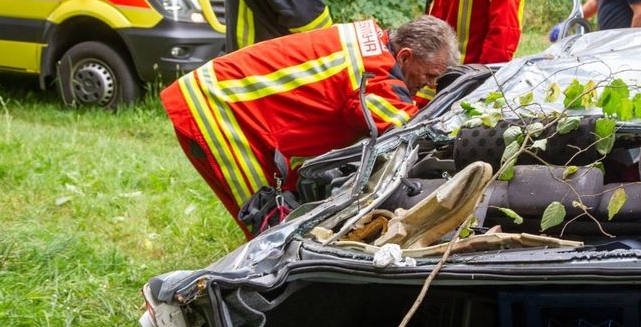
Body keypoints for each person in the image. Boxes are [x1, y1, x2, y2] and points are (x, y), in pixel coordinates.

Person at [161, 16, 458, 235]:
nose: (429, 85)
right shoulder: (375, 74)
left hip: (229, 104)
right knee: (268, 223)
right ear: (405, 56)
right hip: (220, 113)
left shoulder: (373, 45)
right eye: (430, 76)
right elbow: (412, 130)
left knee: (279, 209)